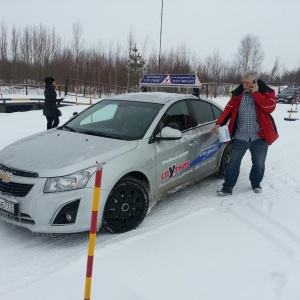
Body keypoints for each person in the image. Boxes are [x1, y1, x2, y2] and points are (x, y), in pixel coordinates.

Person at [212, 70, 279, 195]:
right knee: (233, 162)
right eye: (243, 82)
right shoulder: (238, 95)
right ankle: (227, 187)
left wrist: (256, 94)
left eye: (248, 83)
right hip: (240, 136)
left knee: (258, 163)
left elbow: (269, 108)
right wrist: (219, 123)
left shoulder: (267, 93)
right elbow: (228, 109)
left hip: (259, 137)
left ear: (255, 82)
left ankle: (256, 183)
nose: (244, 85)